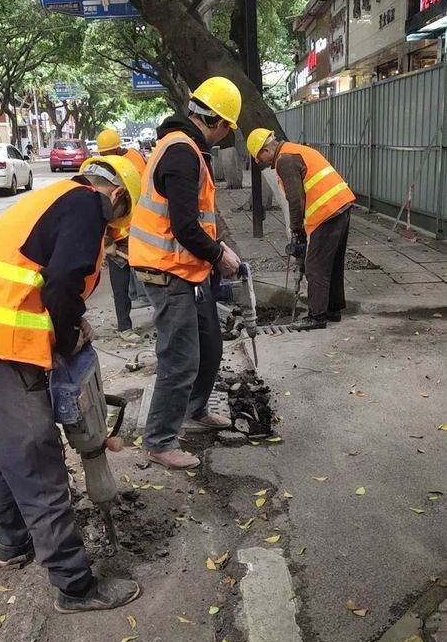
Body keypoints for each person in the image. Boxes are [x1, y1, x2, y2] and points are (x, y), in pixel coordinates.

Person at [0, 156, 142, 613]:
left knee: (2, 451)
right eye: (116, 225)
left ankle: (13, 544)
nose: (111, 235)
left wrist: (71, 325)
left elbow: (41, 278)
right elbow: (63, 285)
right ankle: (75, 586)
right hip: (6, 353)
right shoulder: (85, 206)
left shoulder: (51, 198)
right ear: (116, 197)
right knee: (38, 464)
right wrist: (70, 338)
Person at [129, 76, 242, 469]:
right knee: (180, 360)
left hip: (187, 270)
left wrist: (217, 249)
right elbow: (184, 227)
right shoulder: (180, 152)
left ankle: (196, 409)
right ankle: (160, 441)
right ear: (220, 122)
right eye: (228, 128)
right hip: (168, 272)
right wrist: (219, 257)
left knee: (209, 347)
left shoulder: (187, 148)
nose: (226, 135)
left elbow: (198, 220)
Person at [247, 129, 355, 330]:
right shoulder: (294, 150)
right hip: (341, 204)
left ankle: (317, 316)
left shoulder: (284, 160)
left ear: (265, 149)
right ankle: (332, 309)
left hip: (328, 210)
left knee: (315, 265)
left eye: (259, 156)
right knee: (332, 262)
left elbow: (295, 199)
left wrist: (297, 230)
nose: (260, 161)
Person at [95, 129, 147, 341]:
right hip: (118, 235)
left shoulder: (133, 161)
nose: (107, 157)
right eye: (104, 153)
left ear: (118, 148)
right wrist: (106, 240)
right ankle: (124, 326)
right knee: (120, 284)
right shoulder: (102, 170)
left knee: (154, 278)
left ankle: (165, 319)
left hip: (140, 230)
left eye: (110, 152)